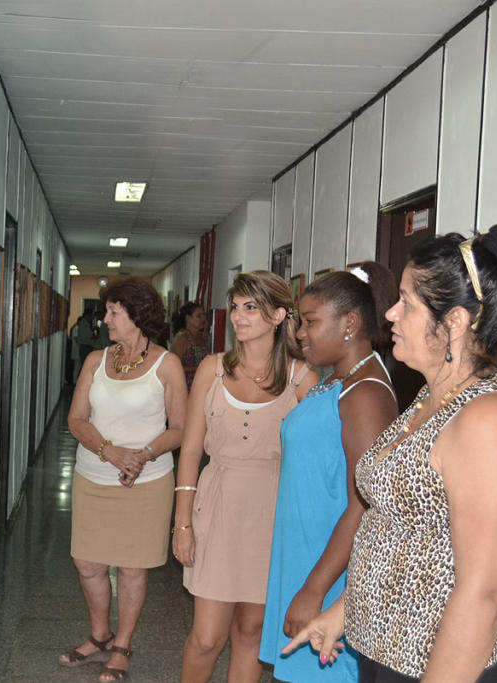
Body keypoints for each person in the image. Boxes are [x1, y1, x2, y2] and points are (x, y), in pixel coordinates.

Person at [283, 220, 497, 682]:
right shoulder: (429, 399)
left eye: (407, 303)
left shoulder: (489, 419)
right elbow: (402, 532)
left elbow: (487, 591)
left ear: (454, 322)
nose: (390, 314)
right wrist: (344, 611)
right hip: (384, 654)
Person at [259, 263, 399, 682]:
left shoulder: (365, 393)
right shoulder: (338, 380)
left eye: (311, 321)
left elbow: (365, 504)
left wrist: (314, 589)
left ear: (349, 323)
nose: (301, 333)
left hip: (329, 570)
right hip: (306, 553)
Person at [174, 271, 317, 683]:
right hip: (217, 508)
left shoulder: (302, 378)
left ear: (278, 315)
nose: (238, 316)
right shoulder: (212, 369)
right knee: (206, 637)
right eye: (235, 307)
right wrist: (182, 523)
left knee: (252, 632)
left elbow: (316, 456)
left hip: (272, 516)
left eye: (251, 307)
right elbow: (190, 451)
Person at [62, 278, 187, 682]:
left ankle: (122, 645)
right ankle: (99, 635)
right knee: (87, 562)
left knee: (133, 567)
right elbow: (76, 419)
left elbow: (180, 428)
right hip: (93, 475)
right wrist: (110, 452)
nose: (106, 319)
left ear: (138, 315)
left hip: (146, 482)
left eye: (114, 312)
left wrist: (142, 456)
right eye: (107, 311)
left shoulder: (167, 364)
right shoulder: (95, 361)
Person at [171, 302, 210, 391]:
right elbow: (174, 368)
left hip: (202, 387)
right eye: (199, 316)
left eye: (204, 315)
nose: (203, 319)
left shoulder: (201, 337)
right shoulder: (181, 339)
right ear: (188, 318)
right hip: (186, 388)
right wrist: (197, 368)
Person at [71, 314, 95, 380]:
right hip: (78, 348)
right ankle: (75, 381)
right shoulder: (77, 328)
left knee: (79, 366)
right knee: (77, 367)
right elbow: (77, 339)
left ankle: (76, 380)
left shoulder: (81, 327)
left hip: (81, 348)